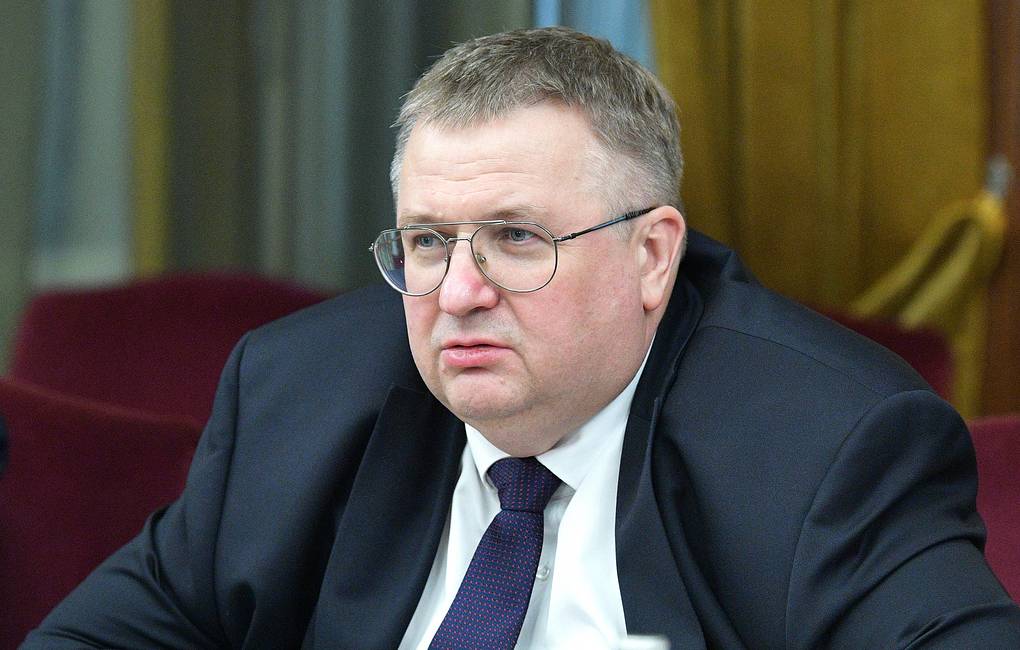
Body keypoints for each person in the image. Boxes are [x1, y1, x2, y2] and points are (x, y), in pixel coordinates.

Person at [25, 27, 1020, 649]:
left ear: (651, 256)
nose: (459, 293)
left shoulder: (826, 440)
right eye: (427, 241)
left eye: (515, 238)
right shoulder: (298, 393)